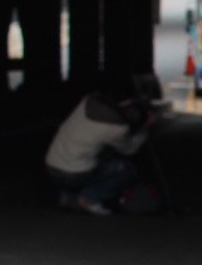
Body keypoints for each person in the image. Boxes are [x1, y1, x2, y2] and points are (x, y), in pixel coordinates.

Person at [45, 81, 155, 215]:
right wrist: (144, 129)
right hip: (74, 175)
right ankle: (88, 198)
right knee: (127, 169)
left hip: (52, 166)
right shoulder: (118, 128)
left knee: (81, 150)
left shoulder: (88, 101)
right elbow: (129, 150)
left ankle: (66, 197)